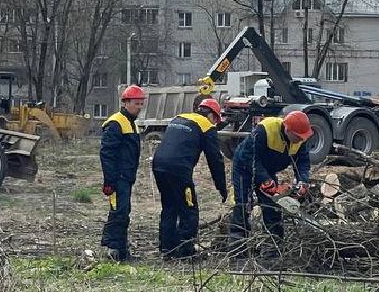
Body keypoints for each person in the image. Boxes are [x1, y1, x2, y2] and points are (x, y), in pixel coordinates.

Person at [151, 97, 228, 259]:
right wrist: (222, 187)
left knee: (169, 206)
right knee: (189, 209)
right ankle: (185, 251)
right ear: (213, 116)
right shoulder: (206, 125)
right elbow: (215, 159)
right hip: (179, 170)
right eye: (216, 121)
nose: (215, 124)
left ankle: (167, 249)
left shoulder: (179, 118)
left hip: (159, 166)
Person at [229, 110, 313, 240]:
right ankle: (238, 244)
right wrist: (264, 179)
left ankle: (274, 245)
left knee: (272, 206)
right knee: (243, 203)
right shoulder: (265, 129)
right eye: (298, 137)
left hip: (268, 169)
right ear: (287, 129)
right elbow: (250, 156)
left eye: (302, 137)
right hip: (244, 166)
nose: (300, 140)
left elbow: (303, 162)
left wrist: (303, 181)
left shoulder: (301, 138)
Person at [100, 84, 145, 261]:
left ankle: (121, 249)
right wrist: (109, 181)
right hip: (117, 178)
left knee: (123, 211)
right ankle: (113, 249)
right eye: (136, 103)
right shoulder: (116, 123)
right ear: (126, 103)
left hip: (126, 177)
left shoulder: (131, 123)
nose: (139, 107)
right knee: (118, 212)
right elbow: (107, 154)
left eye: (141, 104)